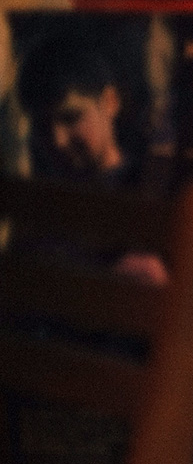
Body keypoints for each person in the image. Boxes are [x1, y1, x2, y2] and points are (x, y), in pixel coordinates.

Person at [15, 37, 168, 287]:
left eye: (71, 117)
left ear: (110, 102)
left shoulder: (152, 189)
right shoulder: (40, 207)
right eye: (43, 126)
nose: (58, 140)